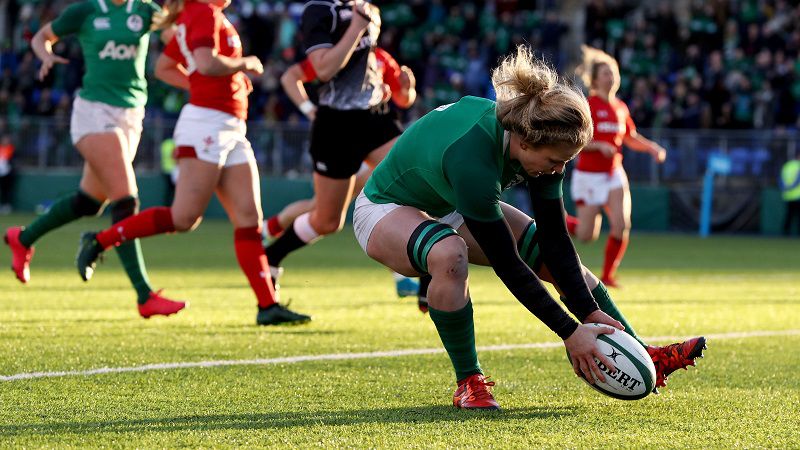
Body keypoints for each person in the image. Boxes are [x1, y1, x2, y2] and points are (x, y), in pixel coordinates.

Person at [354, 46, 705, 409]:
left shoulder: (540, 141)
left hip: (446, 201)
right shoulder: (474, 161)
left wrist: (587, 310)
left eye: (565, 162)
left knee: (556, 258)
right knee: (449, 254)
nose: (558, 170)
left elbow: (556, 240)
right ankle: (468, 382)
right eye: (555, 162)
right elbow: (508, 264)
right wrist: (570, 332)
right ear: (523, 143)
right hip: (384, 208)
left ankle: (644, 354)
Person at [75, 0, 310, 326]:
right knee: (184, 218)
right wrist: (245, 64)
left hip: (230, 126)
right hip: (207, 125)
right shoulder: (202, 11)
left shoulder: (201, 14)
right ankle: (100, 240)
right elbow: (207, 63)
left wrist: (213, 79)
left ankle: (267, 305)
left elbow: (166, 68)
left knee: (248, 219)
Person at [2, 0, 186, 318]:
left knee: (89, 202)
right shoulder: (85, 10)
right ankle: (144, 295)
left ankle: (24, 237)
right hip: (94, 112)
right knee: (126, 200)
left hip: (131, 114)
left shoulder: (145, 10)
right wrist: (45, 55)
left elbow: (175, 37)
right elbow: (40, 37)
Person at [262, 1, 408, 305]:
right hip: (336, 124)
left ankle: (419, 276)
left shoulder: (366, 8)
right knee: (327, 221)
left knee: (414, 177)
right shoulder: (320, 10)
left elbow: (389, 82)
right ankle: (271, 254)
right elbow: (324, 68)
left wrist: (407, 88)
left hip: (375, 118)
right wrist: (355, 27)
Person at [567, 46, 667, 288]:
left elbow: (630, 136)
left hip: (613, 173)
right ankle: (560, 220)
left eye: (613, 72)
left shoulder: (620, 107)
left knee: (622, 225)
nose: (611, 77)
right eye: (605, 73)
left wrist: (652, 147)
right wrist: (598, 145)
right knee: (586, 235)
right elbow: (574, 139)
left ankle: (608, 275)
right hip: (589, 176)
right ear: (595, 79)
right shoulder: (587, 105)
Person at [780, 154, 800, 236]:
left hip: (787, 195)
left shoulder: (786, 165)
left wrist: (785, 187)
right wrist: (791, 187)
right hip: (798, 195)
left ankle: (785, 232)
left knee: (789, 215)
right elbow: (797, 180)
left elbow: (780, 179)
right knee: (798, 216)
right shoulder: (798, 166)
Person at [0, 134, 15, 214]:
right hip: (1, 173)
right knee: (2, 190)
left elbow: (13, 160)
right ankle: (2, 205)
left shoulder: (12, 149)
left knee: (8, 190)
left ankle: (7, 206)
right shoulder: (1, 148)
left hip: (8, 173)